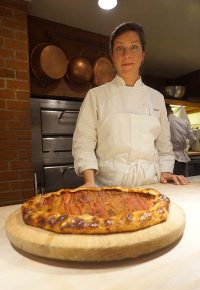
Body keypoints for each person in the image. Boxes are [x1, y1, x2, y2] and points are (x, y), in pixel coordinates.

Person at [72, 22, 189, 187]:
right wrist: (90, 181)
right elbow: (83, 143)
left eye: (134, 47)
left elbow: (164, 146)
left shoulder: (157, 98)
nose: (127, 54)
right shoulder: (96, 96)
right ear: (112, 56)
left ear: (142, 55)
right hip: (108, 188)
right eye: (120, 48)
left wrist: (166, 172)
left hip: (151, 187)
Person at [165, 104, 196, 175]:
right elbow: (193, 140)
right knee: (181, 181)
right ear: (171, 111)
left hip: (168, 158)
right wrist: (186, 146)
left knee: (170, 183)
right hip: (181, 158)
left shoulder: (165, 122)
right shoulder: (184, 122)